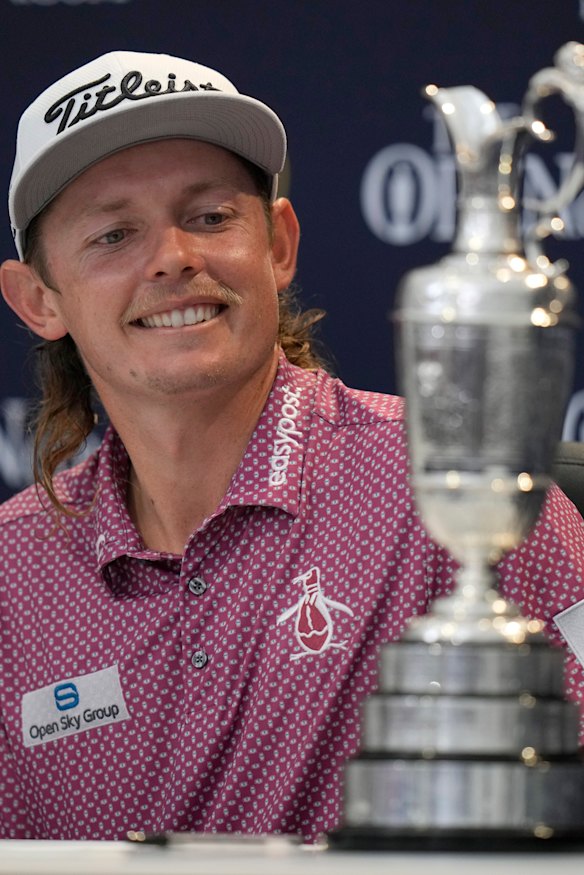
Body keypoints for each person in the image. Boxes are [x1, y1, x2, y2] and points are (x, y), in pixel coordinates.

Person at [0, 50, 584, 843]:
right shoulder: (12, 576)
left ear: (278, 244)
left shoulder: (463, 489)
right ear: (38, 299)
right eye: (114, 233)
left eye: (210, 217)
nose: (173, 256)